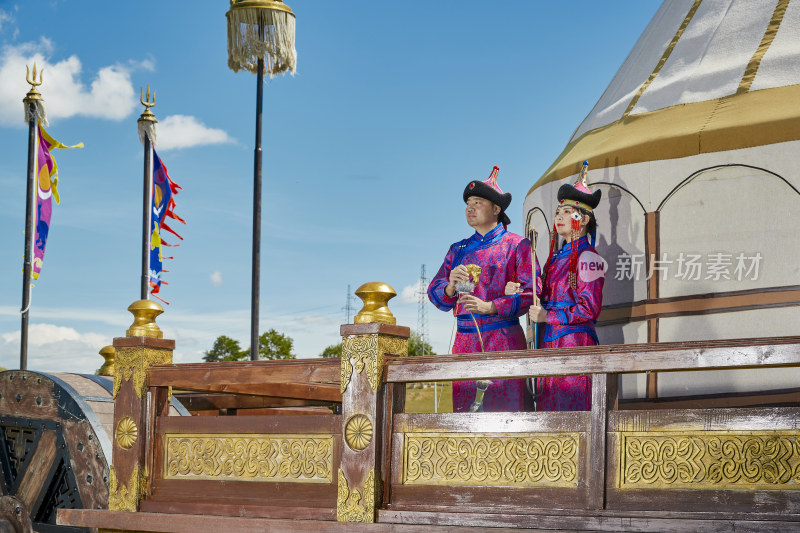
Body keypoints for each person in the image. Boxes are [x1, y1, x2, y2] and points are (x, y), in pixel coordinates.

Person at [428, 166, 540, 412]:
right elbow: (434, 290)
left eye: (478, 202)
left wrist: (491, 306)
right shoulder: (457, 249)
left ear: (496, 209)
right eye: (468, 202)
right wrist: (449, 288)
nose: (470, 207)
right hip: (465, 341)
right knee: (467, 415)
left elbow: (532, 291)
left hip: (503, 338)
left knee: (507, 412)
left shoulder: (517, 246)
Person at [528, 162, 604, 411]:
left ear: (582, 220)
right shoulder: (557, 257)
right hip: (550, 341)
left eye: (566, 212)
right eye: (557, 212)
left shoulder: (589, 257)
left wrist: (548, 315)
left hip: (574, 343)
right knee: (550, 409)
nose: (558, 217)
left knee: (571, 409)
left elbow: (589, 308)